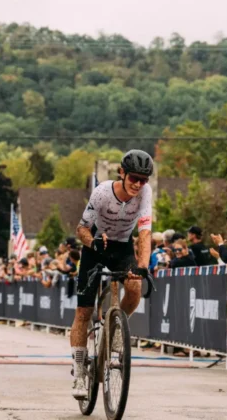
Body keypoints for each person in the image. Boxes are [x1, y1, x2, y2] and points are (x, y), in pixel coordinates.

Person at [70, 149, 153, 400]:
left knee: (136, 288)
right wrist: (92, 242)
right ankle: (79, 370)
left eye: (143, 179)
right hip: (96, 245)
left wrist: (143, 266)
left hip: (122, 247)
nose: (138, 184)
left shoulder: (145, 193)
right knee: (84, 312)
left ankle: (116, 327)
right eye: (134, 178)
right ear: (122, 173)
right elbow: (81, 228)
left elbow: (145, 233)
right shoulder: (102, 192)